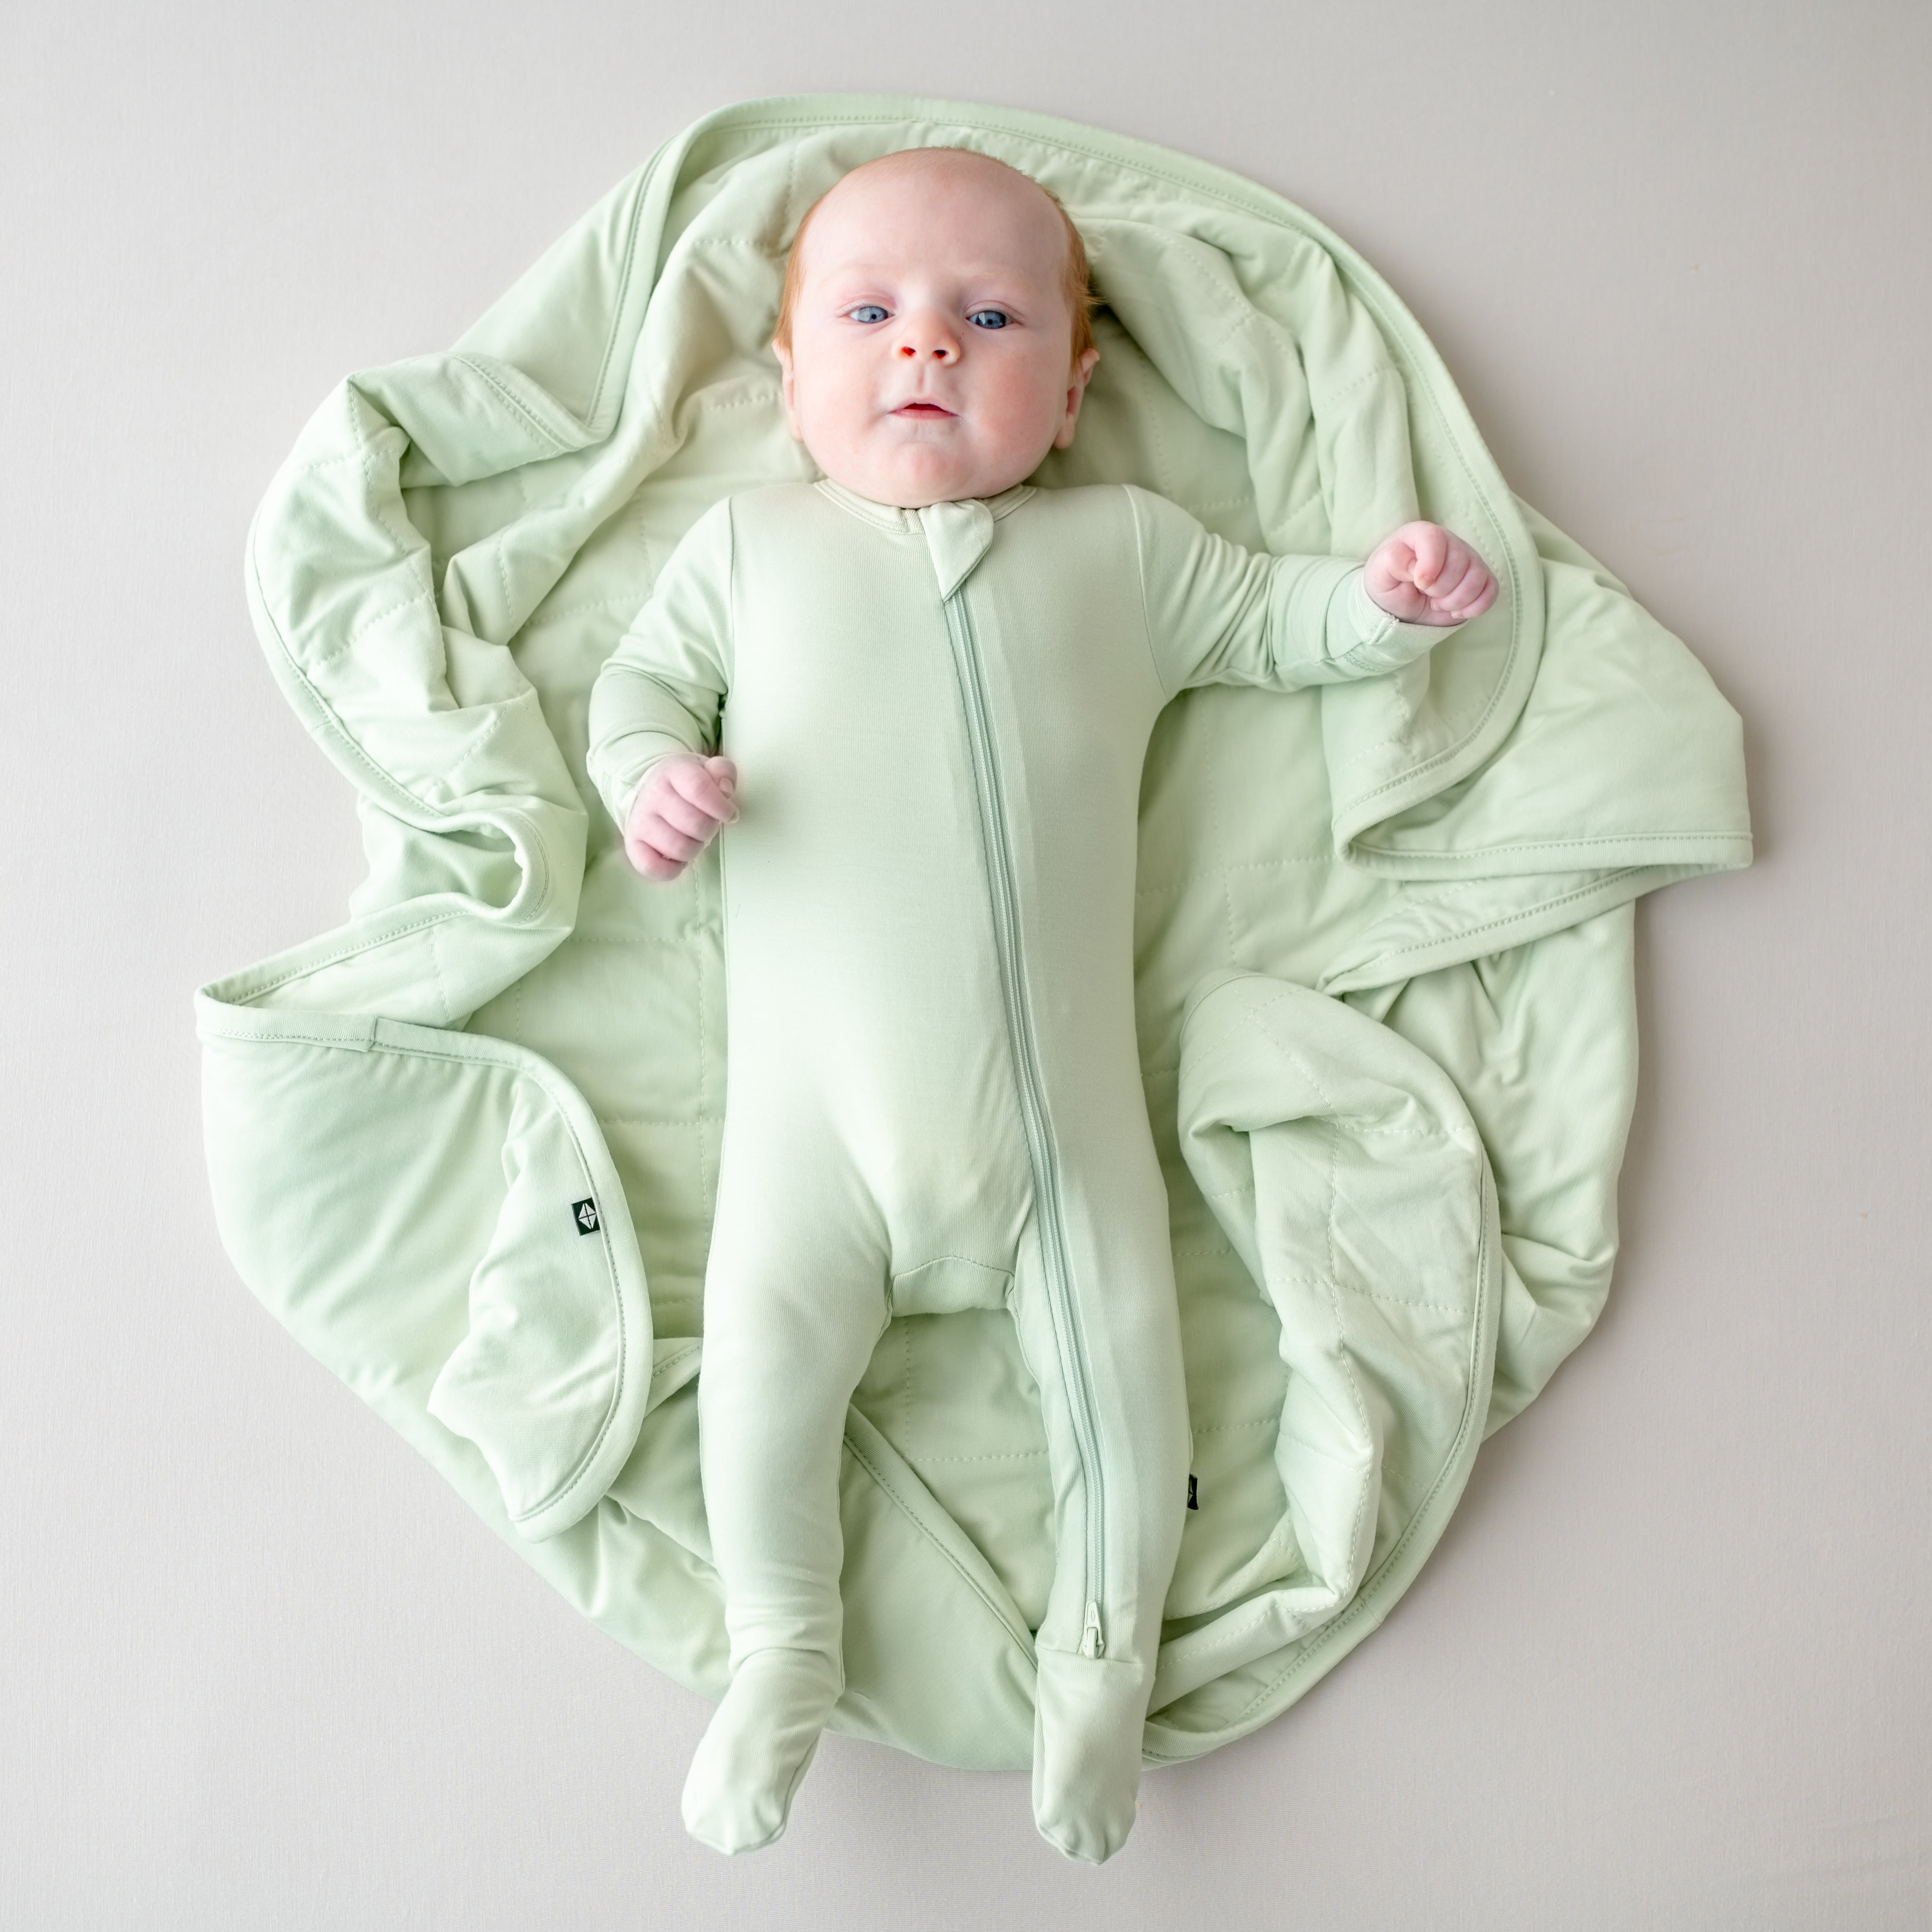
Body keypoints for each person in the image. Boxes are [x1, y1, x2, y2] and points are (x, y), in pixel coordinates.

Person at [585, 145, 1496, 1863]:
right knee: (758, 1384)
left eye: (987, 316)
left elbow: (1277, 622)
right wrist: (649, 777)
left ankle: (1098, 1665)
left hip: (1059, 1152)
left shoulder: (1123, 553)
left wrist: (1382, 607)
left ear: (1073, 393)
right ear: (791, 374)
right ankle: (782, 1646)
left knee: (1128, 1390)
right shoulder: (749, 545)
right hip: (812, 1152)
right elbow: (635, 683)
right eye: (869, 314)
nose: (923, 346)